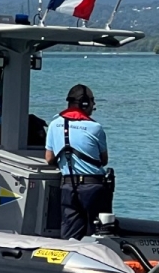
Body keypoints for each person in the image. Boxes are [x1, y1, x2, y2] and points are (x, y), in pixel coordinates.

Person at [45, 84, 111, 240]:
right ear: (85, 104)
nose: (94, 106)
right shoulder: (95, 127)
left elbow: (49, 158)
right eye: (92, 102)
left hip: (68, 186)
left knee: (70, 234)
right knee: (99, 234)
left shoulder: (54, 124)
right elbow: (103, 160)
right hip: (94, 187)